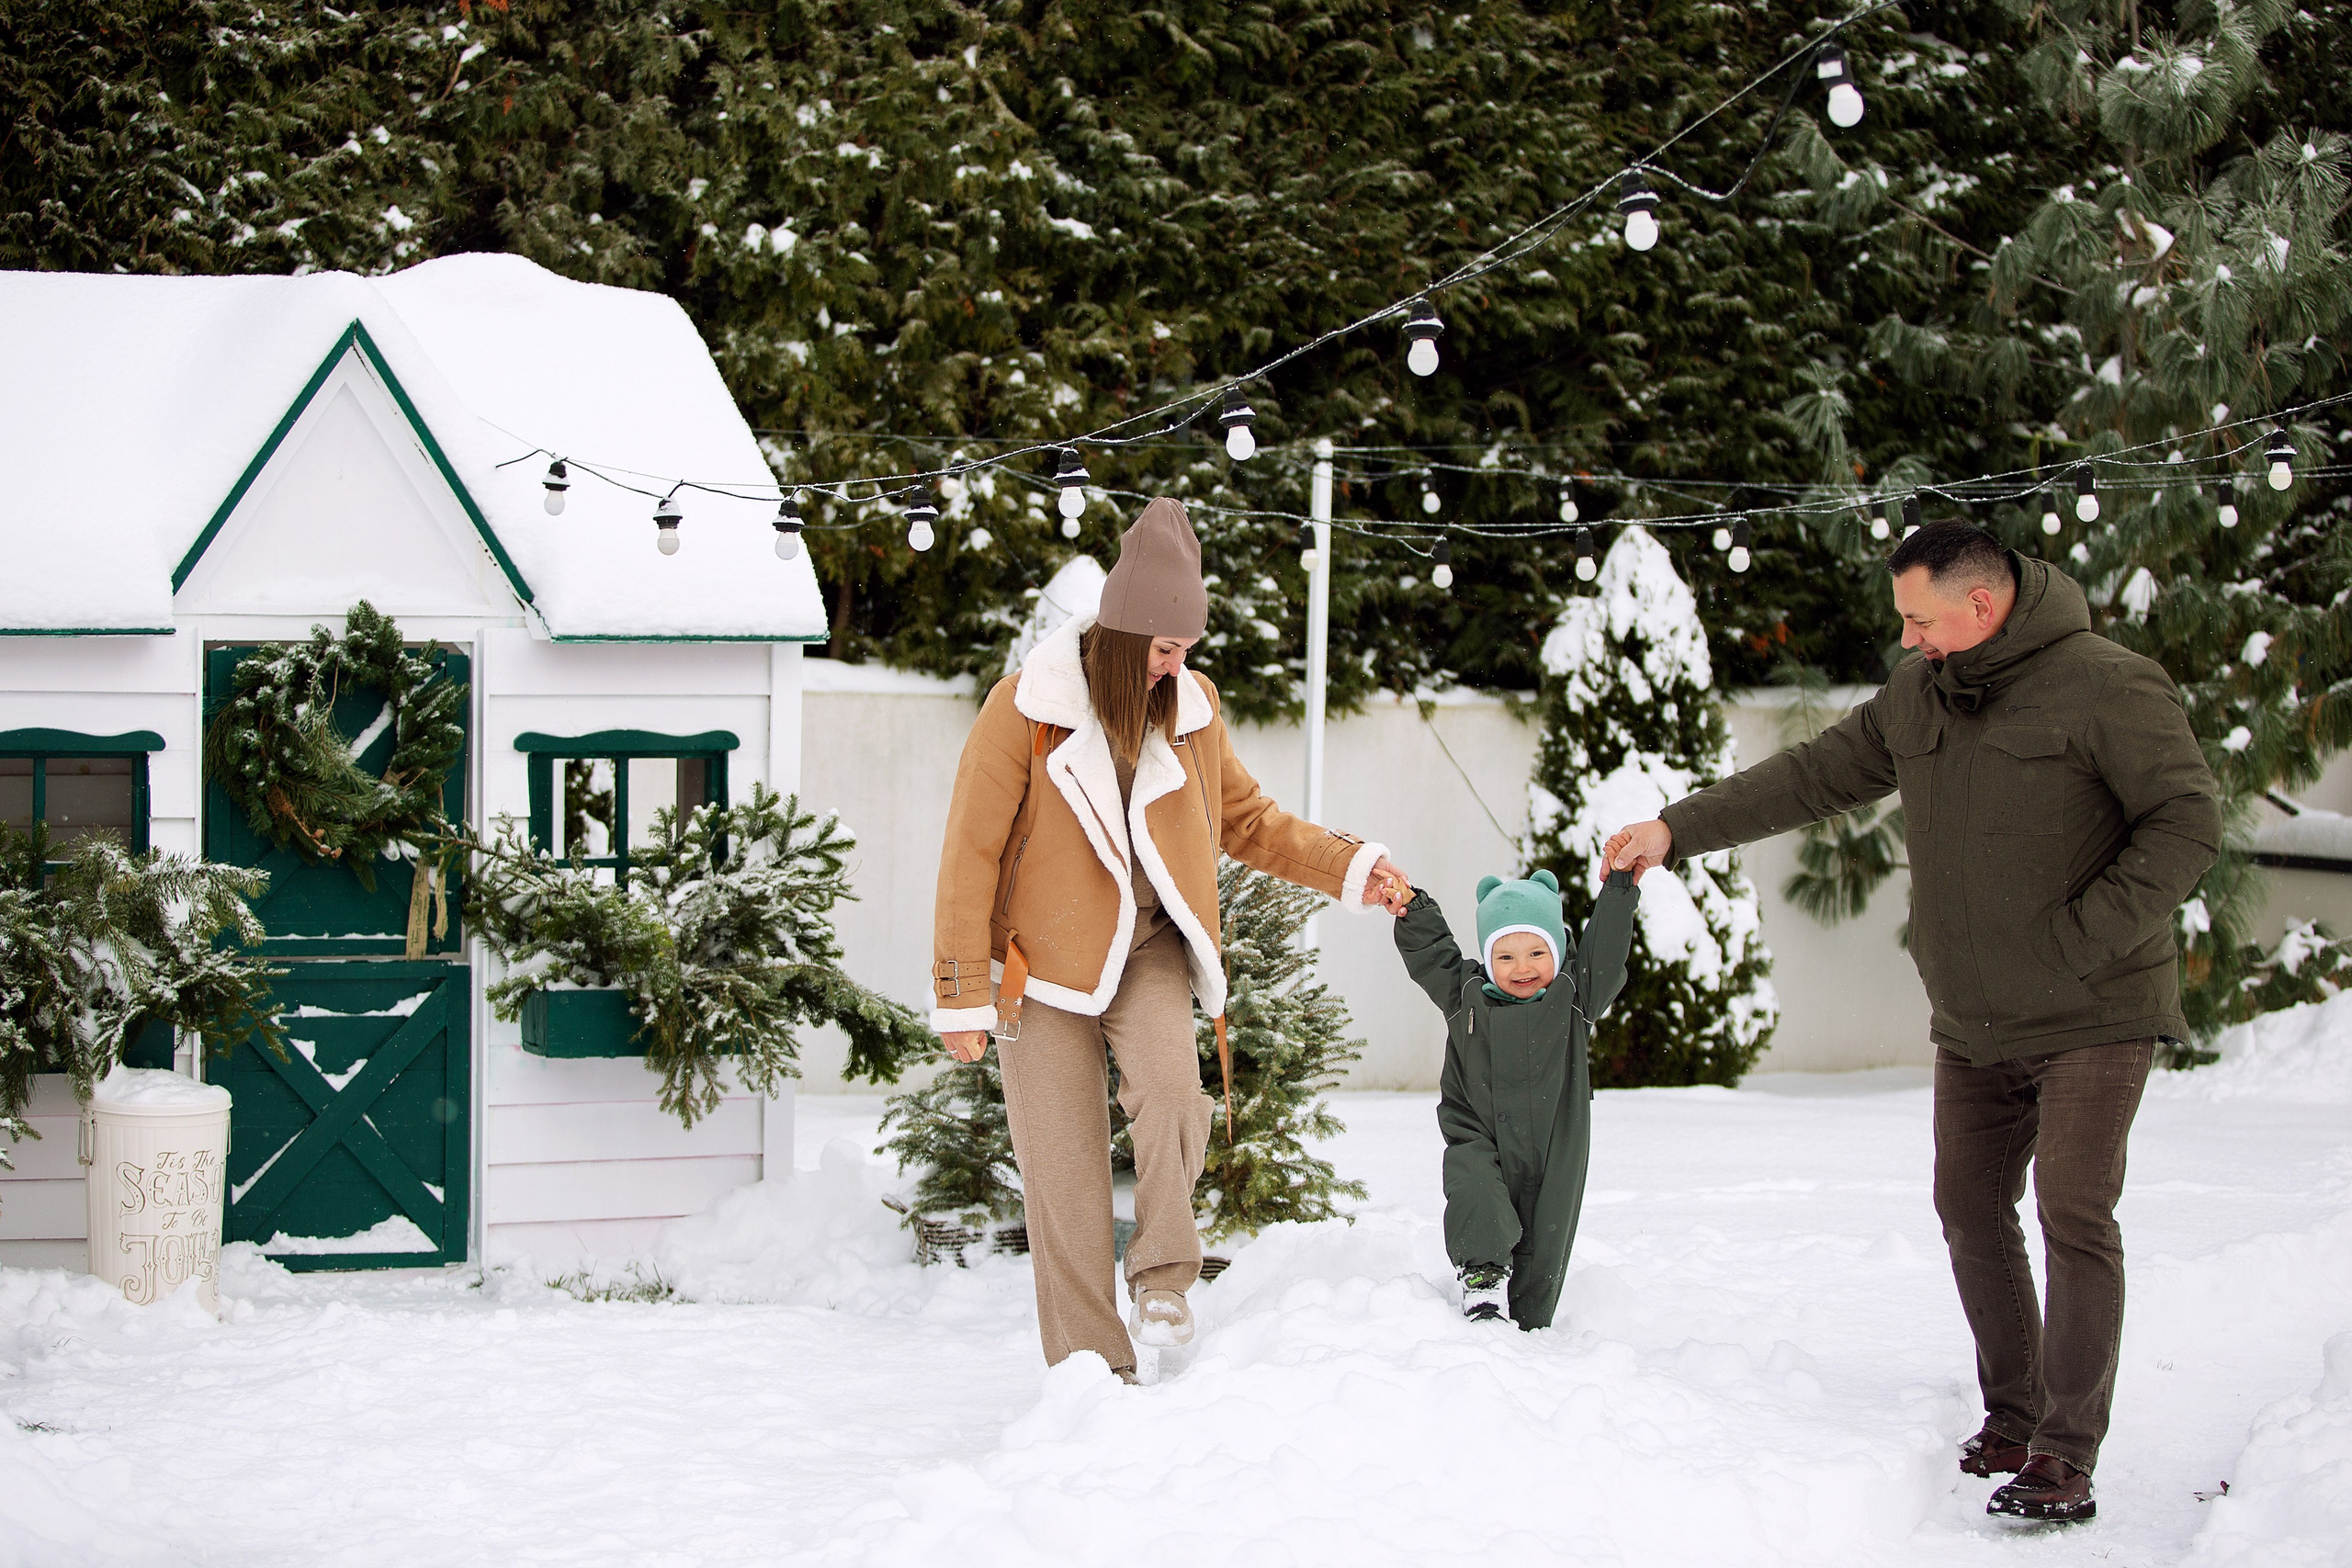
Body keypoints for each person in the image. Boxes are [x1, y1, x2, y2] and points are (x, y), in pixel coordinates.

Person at [1603, 520, 2220, 1525]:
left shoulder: (2109, 682)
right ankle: (2014, 1415)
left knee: (2072, 1208)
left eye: (1919, 619)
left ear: (1981, 606)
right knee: (1969, 1208)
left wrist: (2080, 938)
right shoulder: (1919, 694)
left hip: (2094, 1007)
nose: (1908, 639)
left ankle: (2066, 1451)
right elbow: (1810, 776)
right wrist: (1677, 827)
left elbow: (2187, 819)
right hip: (1975, 1017)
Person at [932, 497, 1408, 1381]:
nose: (1176, 664)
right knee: (1064, 1176)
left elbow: (1248, 820)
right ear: (1120, 634)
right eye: (1162, 647)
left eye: (1186, 648)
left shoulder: (1192, 709)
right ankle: (1089, 1372)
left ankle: (1162, 1272)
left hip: (1146, 948)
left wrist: (1351, 866)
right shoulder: (1023, 710)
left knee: (1177, 1097)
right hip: (1039, 973)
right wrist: (961, 991)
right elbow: (970, 853)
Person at [1392, 866, 1639, 1329]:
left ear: (1558, 951)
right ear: (1486, 958)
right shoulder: (1464, 994)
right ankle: (1482, 1281)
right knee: (1476, 1189)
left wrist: (1621, 886)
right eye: (1504, 956)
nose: (1522, 968)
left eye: (1536, 953)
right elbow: (1434, 953)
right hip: (1479, 1132)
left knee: (1544, 1244)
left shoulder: (1574, 997)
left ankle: (1530, 1327)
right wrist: (1412, 908)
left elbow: (1605, 947)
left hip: (1553, 1144)